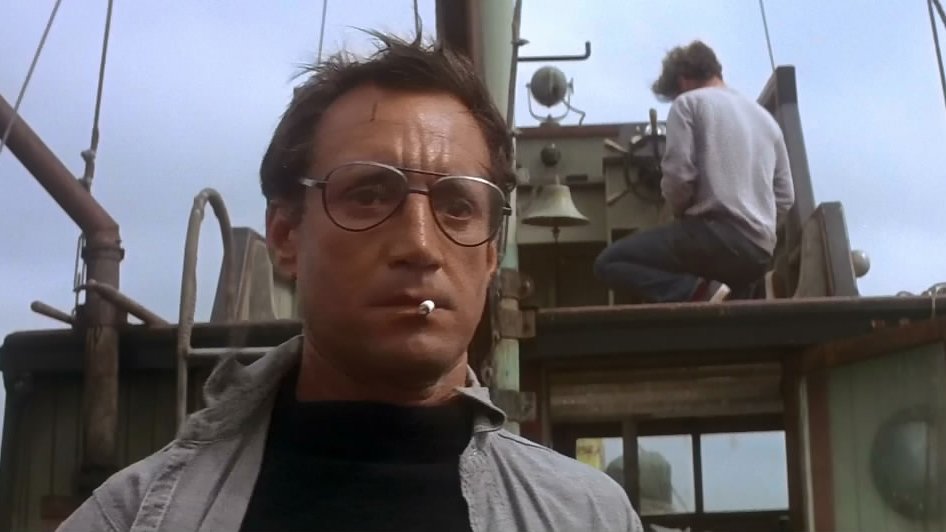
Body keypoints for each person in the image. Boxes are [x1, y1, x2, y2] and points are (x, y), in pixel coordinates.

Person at [57, 32, 642, 532]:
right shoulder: (127, 518)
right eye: (369, 195)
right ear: (286, 236)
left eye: (458, 206)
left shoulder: (589, 517)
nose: (420, 244)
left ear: (491, 254)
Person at [594, 40, 795, 303]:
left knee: (610, 262)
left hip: (712, 241)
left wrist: (679, 216)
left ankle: (697, 292)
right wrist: (758, 228)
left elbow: (679, 178)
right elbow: (785, 197)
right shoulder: (767, 121)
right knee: (721, 278)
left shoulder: (688, 103)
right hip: (758, 253)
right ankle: (750, 291)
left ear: (682, 81)